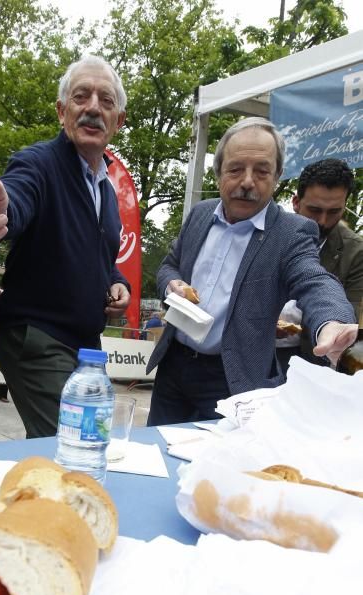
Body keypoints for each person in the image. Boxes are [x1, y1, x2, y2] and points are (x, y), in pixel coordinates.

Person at [0, 55, 130, 437]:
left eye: (106, 100)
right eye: (81, 96)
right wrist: (0, 210)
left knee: (77, 447)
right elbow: (16, 198)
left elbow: (102, 259)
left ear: (119, 121)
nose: (93, 108)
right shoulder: (38, 164)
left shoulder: (106, 190)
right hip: (38, 339)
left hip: (83, 346)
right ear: (62, 111)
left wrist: (119, 284)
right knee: (77, 443)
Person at [146, 117, 357, 426]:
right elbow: (169, 265)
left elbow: (315, 280)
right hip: (173, 368)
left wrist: (332, 322)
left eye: (261, 171)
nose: (247, 182)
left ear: (277, 176)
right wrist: (172, 286)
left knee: (215, 471)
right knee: (155, 459)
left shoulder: (291, 232)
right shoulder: (200, 215)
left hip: (232, 378)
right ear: (218, 172)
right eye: (235, 169)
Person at [277, 158, 363, 374]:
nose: (322, 221)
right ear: (296, 202)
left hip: (310, 361)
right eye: (314, 210)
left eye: (334, 211)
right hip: (253, 354)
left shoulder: (356, 252)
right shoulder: (269, 233)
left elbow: (348, 315)